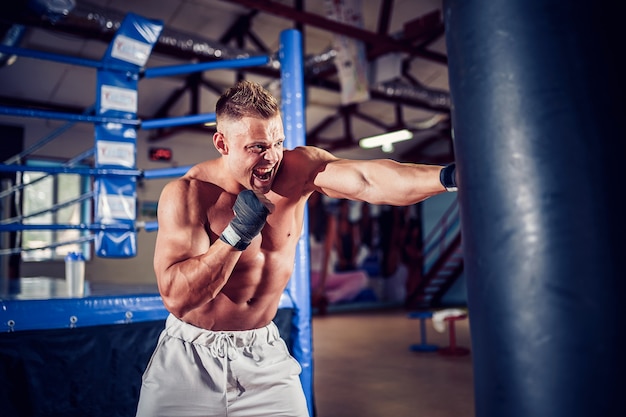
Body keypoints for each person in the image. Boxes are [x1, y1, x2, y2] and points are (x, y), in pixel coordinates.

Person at [135, 80, 458, 417]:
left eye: (278, 142)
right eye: (257, 147)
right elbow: (177, 297)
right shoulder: (188, 194)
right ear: (222, 143)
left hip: (262, 356)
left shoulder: (298, 171)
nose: (272, 157)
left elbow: (369, 179)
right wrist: (236, 236)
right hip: (189, 360)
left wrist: (451, 177)